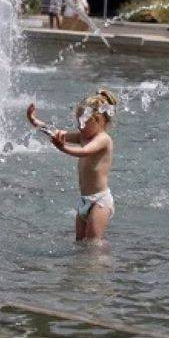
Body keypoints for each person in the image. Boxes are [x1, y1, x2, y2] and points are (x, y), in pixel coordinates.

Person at [26, 90, 119, 241]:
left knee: (94, 244)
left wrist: (62, 148)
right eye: (78, 122)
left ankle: (101, 264)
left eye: (84, 122)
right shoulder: (83, 136)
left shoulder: (103, 139)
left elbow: (84, 152)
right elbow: (55, 132)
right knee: (80, 242)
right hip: (84, 200)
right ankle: (82, 265)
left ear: (99, 120)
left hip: (100, 201)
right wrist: (35, 121)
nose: (80, 127)